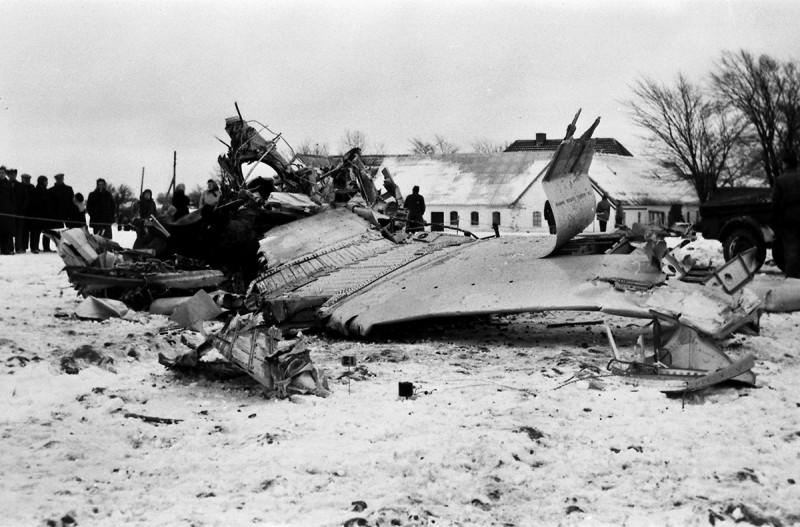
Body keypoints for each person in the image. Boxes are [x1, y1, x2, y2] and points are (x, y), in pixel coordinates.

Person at [772, 151, 800, 279]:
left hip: (789, 218)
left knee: (791, 250)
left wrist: (775, 223)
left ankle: (793, 282)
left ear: (785, 164)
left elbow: (775, 204)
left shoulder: (780, 180)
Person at [28, 175, 54, 253]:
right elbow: (34, 203)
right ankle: (34, 247)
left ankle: (46, 247)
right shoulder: (36, 191)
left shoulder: (46, 191)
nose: (47, 183)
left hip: (45, 215)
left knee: (46, 232)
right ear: (42, 182)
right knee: (36, 232)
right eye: (45, 181)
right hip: (37, 215)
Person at [0, 167, 16, 255]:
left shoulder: (8, 184)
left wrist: (12, 209)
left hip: (7, 211)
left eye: (3, 173)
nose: (1, 174)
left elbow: (12, 197)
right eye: (0, 172)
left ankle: (5, 250)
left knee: (6, 232)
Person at [19, 174, 35, 252]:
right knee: (23, 230)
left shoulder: (32, 187)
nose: (28, 180)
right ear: (22, 179)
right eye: (26, 179)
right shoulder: (19, 186)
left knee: (31, 230)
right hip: (22, 211)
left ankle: (33, 247)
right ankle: (23, 247)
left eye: (28, 179)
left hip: (31, 211)